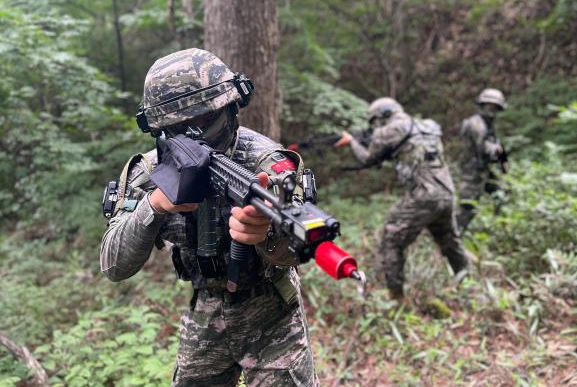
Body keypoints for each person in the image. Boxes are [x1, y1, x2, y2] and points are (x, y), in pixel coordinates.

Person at [100, 48, 318, 387]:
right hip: (205, 311)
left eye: (202, 121)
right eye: (177, 127)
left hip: (272, 311)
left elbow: (301, 245)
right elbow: (113, 264)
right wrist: (154, 205)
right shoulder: (149, 170)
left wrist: (266, 235)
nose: (193, 136)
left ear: (230, 108)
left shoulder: (266, 164)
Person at [334, 97, 469, 301]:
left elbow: (367, 159)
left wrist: (352, 141)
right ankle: (467, 286)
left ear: (382, 117)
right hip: (447, 193)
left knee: (390, 241)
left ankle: (396, 300)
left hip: (424, 195)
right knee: (450, 241)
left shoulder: (388, 131)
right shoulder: (426, 127)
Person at [457, 88, 507, 233]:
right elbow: (484, 147)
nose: (492, 110)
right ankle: (453, 239)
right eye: (489, 106)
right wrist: (497, 150)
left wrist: (502, 158)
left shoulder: (488, 123)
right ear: (482, 105)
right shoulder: (476, 124)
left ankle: (497, 231)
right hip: (473, 172)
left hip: (486, 170)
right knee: (467, 208)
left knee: (501, 195)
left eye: (495, 107)